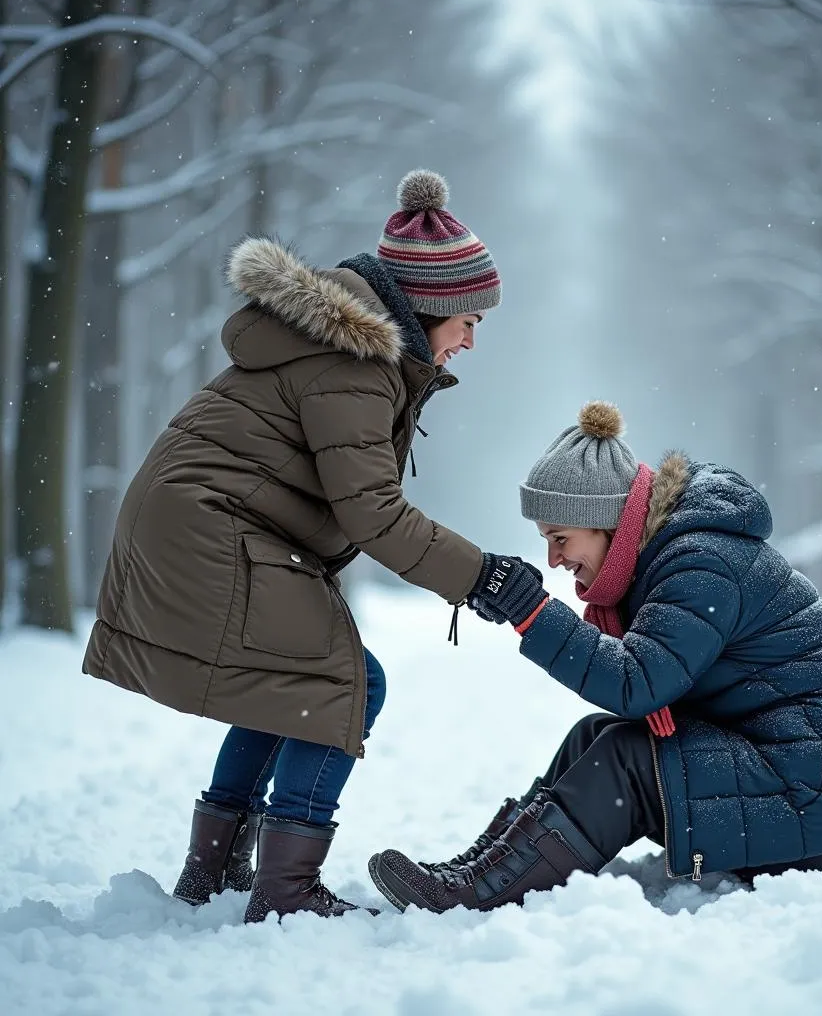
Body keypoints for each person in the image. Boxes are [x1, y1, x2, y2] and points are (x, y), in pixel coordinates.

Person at [82, 169, 507, 923]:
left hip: (197, 519)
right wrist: (483, 576)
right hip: (211, 526)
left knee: (289, 682)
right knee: (346, 684)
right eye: (468, 320)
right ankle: (284, 891)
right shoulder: (357, 366)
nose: (472, 339)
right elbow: (372, 511)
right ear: (431, 306)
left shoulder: (358, 357)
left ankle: (215, 874)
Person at [368, 401, 822, 913]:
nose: (554, 559)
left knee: (625, 760)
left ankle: (484, 892)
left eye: (560, 538)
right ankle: (486, 864)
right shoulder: (676, 551)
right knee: (594, 734)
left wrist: (531, 611)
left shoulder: (700, 562)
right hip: (820, 785)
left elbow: (639, 684)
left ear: (606, 522)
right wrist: (526, 612)